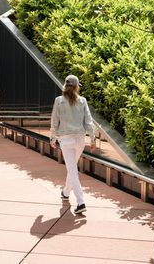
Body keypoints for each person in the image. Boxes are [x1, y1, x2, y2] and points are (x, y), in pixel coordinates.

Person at [50, 74, 96, 214]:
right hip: (80, 140)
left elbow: (54, 121)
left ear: (65, 85)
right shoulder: (82, 101)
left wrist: (52, 138)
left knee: (72, 170)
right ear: (76, 86)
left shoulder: (58, 100)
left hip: (66, 140)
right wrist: (93, 139)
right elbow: (88, 121)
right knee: (72, 169)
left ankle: (81, 202)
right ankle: (65, 192)